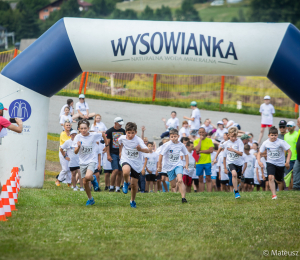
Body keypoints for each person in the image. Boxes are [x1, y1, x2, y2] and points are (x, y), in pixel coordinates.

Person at [119, 122, 149, 208]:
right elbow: (120, 144)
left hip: (136, 163)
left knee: (134, 185)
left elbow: (147, 151)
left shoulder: (138, 140)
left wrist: (140, 149)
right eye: (129, 133)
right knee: (126, 171)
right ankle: (125, 182)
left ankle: (132, 200)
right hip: (126, 159)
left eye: (132, 133)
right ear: (126, 132)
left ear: (135, 132)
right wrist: (120, 153)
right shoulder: (121, 138)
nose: (130, 135)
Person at [73, 120, 103, 205]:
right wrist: (78, 147)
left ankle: (93, 178)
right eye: (81, 128)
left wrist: (106, 146)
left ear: (88, 128)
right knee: (85, 182)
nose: (83, 130)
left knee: (88, 176)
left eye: (85, 128)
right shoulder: (77, 137)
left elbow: (103, 134)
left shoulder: (93, 135)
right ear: (79, 129)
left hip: (92, 160)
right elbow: (75, 152)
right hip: (82, 162)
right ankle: (90, 199)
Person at [258, 126, 291, 199]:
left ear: (277, 135)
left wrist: (287, 162)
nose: (273, 137)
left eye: (275, 135)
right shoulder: (265, 143)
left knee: (279, 180)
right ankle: (274, 195)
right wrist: (259, 162)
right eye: (272, 135)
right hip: (270, 162)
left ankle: (281, 192)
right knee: (270, 177)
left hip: (280, 163)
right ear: (268, 135)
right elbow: (259, 153)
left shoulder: (281, 142)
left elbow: (289, 151)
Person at [158, 129, 189, 203]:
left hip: (178, 164)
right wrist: (159, 166)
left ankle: (183, 198)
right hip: (169, 166)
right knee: (173, 186)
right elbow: (161, 155)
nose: (173, 138)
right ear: (169, 137)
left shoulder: (181, 145)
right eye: (172, 137)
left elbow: (186, 154)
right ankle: (174, 180)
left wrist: (186, 164)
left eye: (175, 136)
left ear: (178, 136)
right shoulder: (167, 145)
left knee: (180, 180)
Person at [223, 127, 244, 199]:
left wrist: (233, 150)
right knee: (234, 174)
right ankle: (236, 191)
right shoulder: (226, 143)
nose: (233, 138)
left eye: (235, 136)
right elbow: (224, 156)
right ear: (228, 135)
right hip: (230, 162)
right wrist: (225, 167)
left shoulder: (239, 142)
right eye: (232, 136)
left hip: (239, 163)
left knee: (238, 180)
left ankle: (236, 186)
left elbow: (241, 153)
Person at [106, 117, 126, 192]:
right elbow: (107, 144)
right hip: (113, 153)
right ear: (115, 123)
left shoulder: (123, 131)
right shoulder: (110, 131)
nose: (120, 126)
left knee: (120, 171)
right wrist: (108, 155)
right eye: (119, 124)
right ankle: (111, 186)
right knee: (115, 170)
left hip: (122, 154)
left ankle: (117, 187)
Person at [194, 127, 214, 192]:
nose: (202, 133)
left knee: (208, 177)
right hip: (199, 162)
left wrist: (201, 151)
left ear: (205, 132)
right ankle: (202, 191)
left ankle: (209, 192)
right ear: (198, 133)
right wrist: (200, 140)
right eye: (200, 132)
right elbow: (197, 149)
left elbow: (211, 150)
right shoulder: (196, 141)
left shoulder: (209, 140)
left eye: (203, 132)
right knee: (200, 178)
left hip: (207, 161)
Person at [56, 121, 72, 187]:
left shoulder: (71, 134)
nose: (68, 126)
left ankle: (69, 183)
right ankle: (58, 180)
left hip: (69, 152)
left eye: (69, 125)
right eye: (67, 125)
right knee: (65, 169)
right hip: (63, 152)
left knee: (69, 168)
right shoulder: (63, 134)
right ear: (64, 126)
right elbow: (67, 142)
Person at [284, 121, 298, 190]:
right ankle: (290, 190)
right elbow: (285, 148)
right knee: (289, 175)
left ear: (294, 127)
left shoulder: (297, 134)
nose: (288, 127)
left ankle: (294, 189)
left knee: (294, 175)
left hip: (296, 158)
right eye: (287, 126)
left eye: (290, 126)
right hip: (288, 159)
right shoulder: (286, 135)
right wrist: (284, 157)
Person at [292, 117, 300, 190]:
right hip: (298, 157)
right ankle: (296, 186)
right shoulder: (299, 131)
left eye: (298, 122)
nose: (297, 124)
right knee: (296, 170)